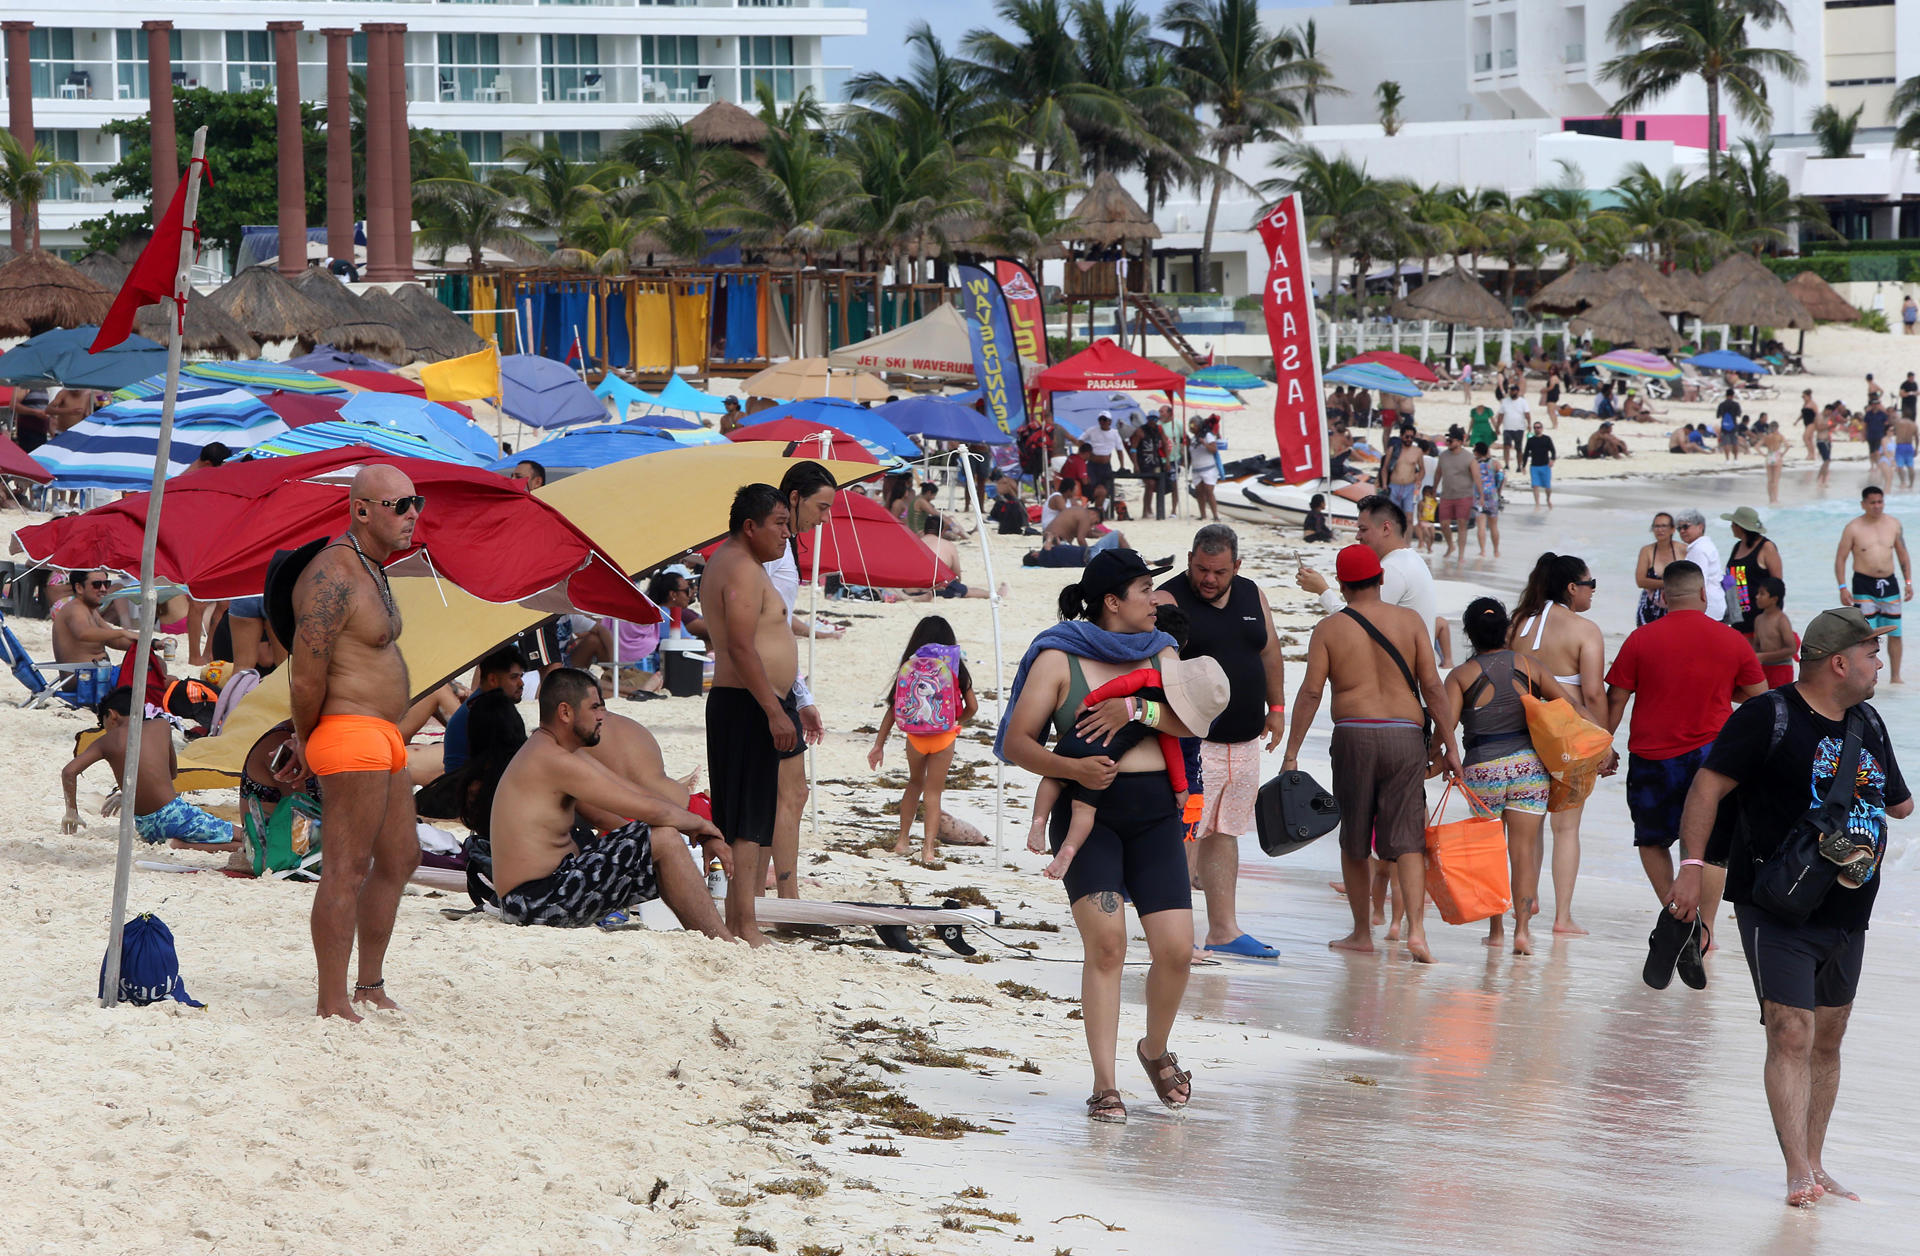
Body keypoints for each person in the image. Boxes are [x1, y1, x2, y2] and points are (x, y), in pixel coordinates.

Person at [1667, 607, 1910, 1208]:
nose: (1880, 663)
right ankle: (1796, 1169)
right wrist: (1693, 869)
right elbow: (1707, 787)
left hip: (1850, 908)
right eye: (1872, 654)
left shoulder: (1870, 722)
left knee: (1828, 1036)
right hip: (1776, 904)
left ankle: (1818, 1161)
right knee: (1791, 1030)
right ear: (1839, 662)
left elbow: (1900, 805)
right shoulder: (1766, 717)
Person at [997, 549, 1203, 1123]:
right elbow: (1018, 743)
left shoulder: (1162, 651)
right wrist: (1075, 771)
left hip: (1156, 816)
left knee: (1176, 951)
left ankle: (1154, 1049)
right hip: (1089, 814)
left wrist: (1136, 709)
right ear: (1113, 601)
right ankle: (1104, 1083)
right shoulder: (1059, 657)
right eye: (1145, 590)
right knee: (1108, 944)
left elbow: (1192, 724)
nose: (1156, 601)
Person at [280, 464, 424, 1020]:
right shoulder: (332, 575)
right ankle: (332, 1000)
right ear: (361, 510)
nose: (413, 514)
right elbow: (307, 674)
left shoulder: (372, 568)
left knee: (401, 856)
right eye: (400, 505)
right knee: (347, 866)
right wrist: (305, 738)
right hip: (348, 731)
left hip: (382, 733)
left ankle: (369, 984)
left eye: (417, 502)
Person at [1284, 544, 1460, 964]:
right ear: (1381, 580)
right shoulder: (1411, 621)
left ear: (1342, 586)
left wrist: (1291, 753)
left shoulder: (1328, 630)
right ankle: (1416, 931)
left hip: (1353, 736)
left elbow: (1311, 692)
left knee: (1355, 840)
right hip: (1404, 736)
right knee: (1409, 841)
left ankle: (1363, 933)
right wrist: (1451, 745)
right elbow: (1433, 687)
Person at [488, 668, 733, 935]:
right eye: (594, 707)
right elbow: (644, 808)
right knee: (663, 839)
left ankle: (712, 936)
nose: (602, 716)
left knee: (660, 838)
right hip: (533, 901)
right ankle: (719, 939)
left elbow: (636, 793)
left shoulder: (557, 750)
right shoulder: (554, 760)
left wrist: (697, 831)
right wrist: (704, 826)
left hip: (541, 892)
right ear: (565, 712)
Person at [1604, 561, 1768, 942]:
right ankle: (1705, 929)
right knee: (1710, 849)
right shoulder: (1731, 640)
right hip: (1715, 757)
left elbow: (1616, 698)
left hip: (1652, 756)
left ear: (1663, 597)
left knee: (1651, 839)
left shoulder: (1640, 639)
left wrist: (1603, 745)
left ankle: (1678, 915)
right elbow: (1763, 703)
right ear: (1704, 594)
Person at [1156, 526, 1290, 959]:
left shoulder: (1252, 593)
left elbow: (1269, 652)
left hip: (1246, 740)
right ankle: (1178, 933)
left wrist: (1277, 708)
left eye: (1218, 571)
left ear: (1236, 566)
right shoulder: (1168, 599)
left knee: (1226, 832)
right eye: (1200, 569)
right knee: (1187, 832)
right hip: (1195, 743)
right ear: (1190, 558)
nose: (1208, 579)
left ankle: (1223, 930)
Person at [1447, 600, 1577, 955]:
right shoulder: (1529, 666)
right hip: (1528, 769)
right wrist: (1599, 745)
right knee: (1523, 852)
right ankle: (1521, 931)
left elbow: (1446, 728)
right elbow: (1566, 706)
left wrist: (1438, 760)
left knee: (1492, 853)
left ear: (1469, 634)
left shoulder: (1460, 676)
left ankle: (1496, 931)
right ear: (1506, 630)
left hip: (1482, 770)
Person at [701, 483, 799, 946]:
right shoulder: (740, 567)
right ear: (750, 526)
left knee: (749, 816)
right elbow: (740, 645)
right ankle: (742, 924)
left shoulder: (739, 564)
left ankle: (743, 921)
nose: (787, 533)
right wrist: (773, 711)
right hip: (746, 703)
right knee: (743, 819)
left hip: (747, 701)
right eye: (779, 524)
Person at [1509, 552, 1608, 937]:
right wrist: (1602, 738)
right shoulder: (1584, 629)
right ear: (1571, 587)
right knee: (1566, 828)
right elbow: (1594, 693)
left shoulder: (1517, 622)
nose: (1592, 592)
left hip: (1520, 724)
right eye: (1590, 585)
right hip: (1567, 728)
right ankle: (1561, 917)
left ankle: (1525, 900)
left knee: (1526, 823)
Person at [61, 686, 237, 850]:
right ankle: (179, 844)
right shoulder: (161, 726)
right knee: (246, 837)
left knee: (241, 844)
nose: (104, 729)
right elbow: (172, 774)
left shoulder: (107, 741)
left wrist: (72, 811)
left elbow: (69, 771)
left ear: (112, 715)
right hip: (172, 814)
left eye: (102, 723)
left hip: (146, 826)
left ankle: (180, 844)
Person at [869, 616, 980, 865]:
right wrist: (957, 721)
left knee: (914, 783)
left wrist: (879, 745)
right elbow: (973, 705)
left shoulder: (909, 665)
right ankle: (928, 849)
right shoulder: (955, 667)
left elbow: (892, 707)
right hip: (943, 737)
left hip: (915, 738)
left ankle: (902, 841)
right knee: (933, 793)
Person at [1834, 484, 1911, 683]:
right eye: (1873, 502)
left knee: (1895, 630)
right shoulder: (1853, 528)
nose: (1877, 506)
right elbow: (1840, 558)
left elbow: (1903, 555)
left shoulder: (1893, 524)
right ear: (1863, 504)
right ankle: (1866, 677)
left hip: (1890, 584)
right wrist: (1842, 587)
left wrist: (1908, 582)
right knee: (1866, 635)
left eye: (1880, 502)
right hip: (1863, 585)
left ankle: (1895, 677)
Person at [438, 646, 526, 776]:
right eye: (514, 677)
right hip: (468, 785)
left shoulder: (481, 703)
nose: (521, 683)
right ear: (493, 680)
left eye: (521, 676)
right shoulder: (487, 711)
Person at [910, 514, 1006, 602]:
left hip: (914, 587)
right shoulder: (948, 545)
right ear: (942, 531)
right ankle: (996, 594)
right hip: (938, 588)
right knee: (968, 591)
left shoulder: (913, 543)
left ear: (924, 529)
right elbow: (957, 577)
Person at [52, 569, 139, 665]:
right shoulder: (75, 609)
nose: (103, 589)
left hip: (99, 674)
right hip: (84, 677)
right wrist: (122, 632)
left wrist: (151, 644)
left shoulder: (90, 610)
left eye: (106, 584)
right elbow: (84, 633)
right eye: (97, 584)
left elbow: (114, 641)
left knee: (149, 664)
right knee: (151, 668)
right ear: (79, 588)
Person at [1722, 507, 1784, 639]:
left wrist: (1773, 619)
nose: (1731, 527)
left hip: (1760, 620)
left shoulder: (1766, 547)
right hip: (1738, 618)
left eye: (1733, 524)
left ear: (1740, 527)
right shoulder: (1737, 547)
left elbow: (1777, 586)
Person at [1675, 508, 1728, 622]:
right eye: (1679, 529)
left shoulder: (1698, 549)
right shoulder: (1705, 545)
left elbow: (1697, 581)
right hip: (1714, 604)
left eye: (1686, 527)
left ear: (1700, 527)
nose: (1682, 531)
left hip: (1707, 608)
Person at [1634, 512, 1686, 627]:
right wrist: (1668, 583)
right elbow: (1640, 581)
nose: (1660, 530)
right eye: (1656, 526)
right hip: (1649, 606)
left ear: (1672, 529)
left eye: (1664, 526)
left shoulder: (1683, 549)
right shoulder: (1647, 551)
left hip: (1675, 606)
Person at [1434, 426, 1476, 558]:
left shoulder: (1469, 457)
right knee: (1444, 523)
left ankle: (1461, 555)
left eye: (1450, 440)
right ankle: (1451, 545)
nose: (1448, 442)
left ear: (1459, 441)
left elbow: (1477, 477)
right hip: (1447, 495)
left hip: (1464, 495)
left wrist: (1480, 495)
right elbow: (1438, 473)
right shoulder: (1443, 455)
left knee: (1462, 524)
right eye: (1447, 440)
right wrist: (1434, 489)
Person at [1751, 576, 1798, 689]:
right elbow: (1757, 645)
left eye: (1762, 594)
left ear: (1774, 599)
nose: (1757, 597)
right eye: (1758, 593)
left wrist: (1763, 656)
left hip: (1782, 668)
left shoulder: (1781, 620)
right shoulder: (1758, 619)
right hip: (1764, 668)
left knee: (1780, 703)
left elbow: (1791, 649)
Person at [1131, 410, 1175, 520]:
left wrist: (1167, 461)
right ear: (1147, 419)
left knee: (1157, 484)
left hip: (1155, 461)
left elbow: (1165, 443)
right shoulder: (1140, 431)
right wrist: (1135, 464)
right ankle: (1147, 509)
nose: (1153, 421)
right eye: (1151, 419)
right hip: (1144, 462)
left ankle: (1150, 509)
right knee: (1150, 484)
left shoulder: (1159, 430)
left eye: (1155, 419)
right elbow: (1133, 449)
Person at [1085, 411, 1128, 517]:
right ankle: (1094, 512)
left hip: (1105, 466)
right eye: (1101, 419)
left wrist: (1122, 466)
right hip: (1092, 465)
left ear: (1110, 421)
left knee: (1103, 490)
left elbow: (1119, 450)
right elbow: (1080, 440)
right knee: (1090, 489)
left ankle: (1099, 513)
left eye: (1105, 420)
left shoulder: (1114, 433)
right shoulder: (1092, 430)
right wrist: (1085, 454)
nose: (1102, 422)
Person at [1385, 422, 1425, 519]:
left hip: (1410, 487)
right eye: (1407, 436)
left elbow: (1422, 469)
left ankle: (1408, 535)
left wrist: (1419, 480)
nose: (1409, 439)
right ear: (1401, 436)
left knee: (1409, 518)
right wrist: (1384, 485)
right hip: (1394, 486)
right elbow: (1385, 468)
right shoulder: (1393, 450)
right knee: (1393, 518)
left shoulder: (1417, 451)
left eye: (1412, 437)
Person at [1472, 441, 1502, 558]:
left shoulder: (1474, 464)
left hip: (1479, 496)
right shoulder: (1494, 463)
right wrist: (1498, 490)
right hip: (1492, 496)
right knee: (1494, 525)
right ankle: (1496, 551)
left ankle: (1483, 551)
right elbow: (1501, 476)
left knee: (1481, 526)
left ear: (1478, 452)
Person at [1521, 420, 1555, 508]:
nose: (1537, 429)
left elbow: (1553, 451)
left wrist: (1552, 459)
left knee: (1548, 487)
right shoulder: (1531, 440)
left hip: (1545, 466)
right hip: (1534, 466)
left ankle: (1548, 499)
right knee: (1535, 486)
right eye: (1535, 428)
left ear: (1542, 428)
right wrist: (1523, 466)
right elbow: (1525, 453)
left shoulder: (1547, 439)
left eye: (1538, 427)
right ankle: (1537, 504)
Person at [1498, 384, 1530, 471]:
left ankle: (1519, 465)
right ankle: (1507, 464)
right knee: (1506, 446)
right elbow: (1500, 415)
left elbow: (1527, 414)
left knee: (1518, 448)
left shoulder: (1523, 402)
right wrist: (1497, 426)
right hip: (1507, 428)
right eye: (1511, 390)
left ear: (1517, 391)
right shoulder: (1505, 401)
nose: (1512, 392)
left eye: (1513, 390)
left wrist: (1529, 424)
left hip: (1519, 428)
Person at [1893, 408, 1917, 491]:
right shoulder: (1914, 424)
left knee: (1900, 466)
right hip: (1909, 446)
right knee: (1910, 466)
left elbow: (1892, 423)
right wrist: (1916, 448)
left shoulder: (1899, 423)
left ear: (1903, 414)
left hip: (1900, 446)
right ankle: (1911, 484)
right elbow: (1917, 438)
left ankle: (1903, 482)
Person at [1717, 389, 1742, 462]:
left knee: (1726, 443)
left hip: (1724, 425)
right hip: (1734, 425)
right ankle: (1736, 459)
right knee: (1735, 442)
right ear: (1733, 395)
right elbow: (1739, 414)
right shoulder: (1736, 404)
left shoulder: (1722, 404)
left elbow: (1718, 416)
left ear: (1726, 395)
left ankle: (1727, 459)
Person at [1863, 396, 1889, 467]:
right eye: (1874, 404)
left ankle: (1878, 465)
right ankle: (1872, 466)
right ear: (1871, 405)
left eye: (1877, 404)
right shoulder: (1868, 414)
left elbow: (1886, 424)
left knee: (1877, 451)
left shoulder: (1882, 414)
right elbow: (1865, 425)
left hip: (1879, 435)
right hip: (1870, 435)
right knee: (1871, 452)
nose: (1875, 406)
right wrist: (1864, 435)